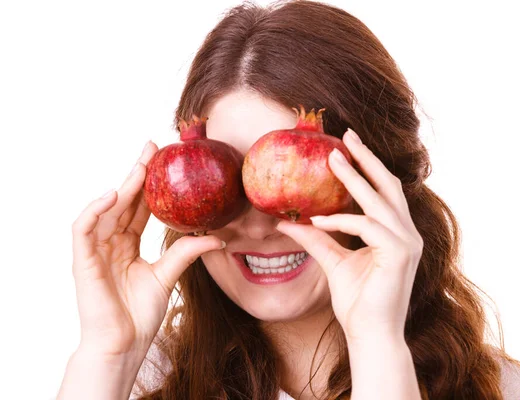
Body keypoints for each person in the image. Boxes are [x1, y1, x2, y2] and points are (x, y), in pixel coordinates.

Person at [56, 1, 520, 399]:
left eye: (294, 181)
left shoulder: (501, 388)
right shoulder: (136, 381)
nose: (260, 225)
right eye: (228, 185)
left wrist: (378, 345)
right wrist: (108, 353)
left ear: (383, 189)